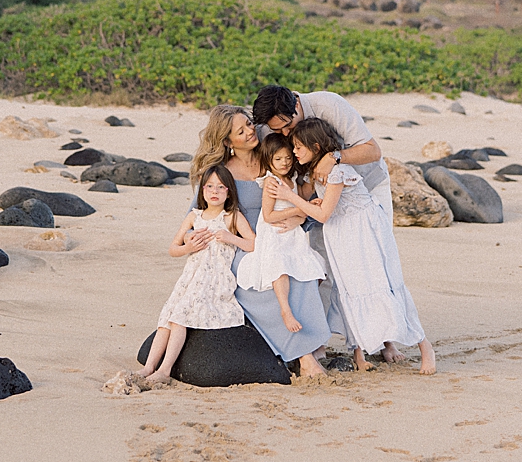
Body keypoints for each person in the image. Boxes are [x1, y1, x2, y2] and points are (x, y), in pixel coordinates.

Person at [271, 117, 436, 375]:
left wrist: (288, 196)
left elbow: (324, 214)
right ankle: (358, 351)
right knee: (349, 288)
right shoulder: (316, 174)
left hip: (364, 232)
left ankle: (425, 347)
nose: (294, 152)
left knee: (383, 284)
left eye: (298, 147)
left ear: (315, 147)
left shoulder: (338, 172)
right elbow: (321, 208)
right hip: (341, 234)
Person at [186, 105, 331, 377]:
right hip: (243, 244)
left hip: (281, 236)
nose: (251, 132)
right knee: (265, 276)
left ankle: (311, 344)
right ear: (228, 141)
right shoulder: (220, 172)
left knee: (302, 271)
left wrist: (301, 220)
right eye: (241, 131)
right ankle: (305, 356)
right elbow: (196, 215)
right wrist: (190, 239)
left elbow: (303, 198)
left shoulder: (273, 158)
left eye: (250, 124)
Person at [139, 165, 255, 386]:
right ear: (202, 190)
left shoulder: (232, 217)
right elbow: (173, 248)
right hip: (190, 277)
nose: (215, 191)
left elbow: (254, 243)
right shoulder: (195, 217)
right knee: (167, 318)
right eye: (210, 186)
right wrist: (188, 248)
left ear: (228, 192)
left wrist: (231, 238)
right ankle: (149, 366)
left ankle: (165, 370)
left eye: (221, 187)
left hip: (215, 279)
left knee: (180, 316)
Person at [252, 84, 391, 218]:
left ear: (296, 105)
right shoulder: (265, 128)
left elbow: (372, 150)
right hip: (316, 200)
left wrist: (333, 157)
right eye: (277, 130)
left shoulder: (328, 105)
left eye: (288, 125)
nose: (286, 133)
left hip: (366, 187)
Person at [235, 133, 328, 333]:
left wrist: (309, 203)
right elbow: (268, 216)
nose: (284, 163)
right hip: (274, 233)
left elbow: (302, 198)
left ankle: (307, 310)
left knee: (317, 265)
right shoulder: (271, 182)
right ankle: (285, 310)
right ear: (269, 160)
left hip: (292, 233)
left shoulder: (292, 179)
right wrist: (298, 209)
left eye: (288, 158)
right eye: (278, 159)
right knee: (280, 266)